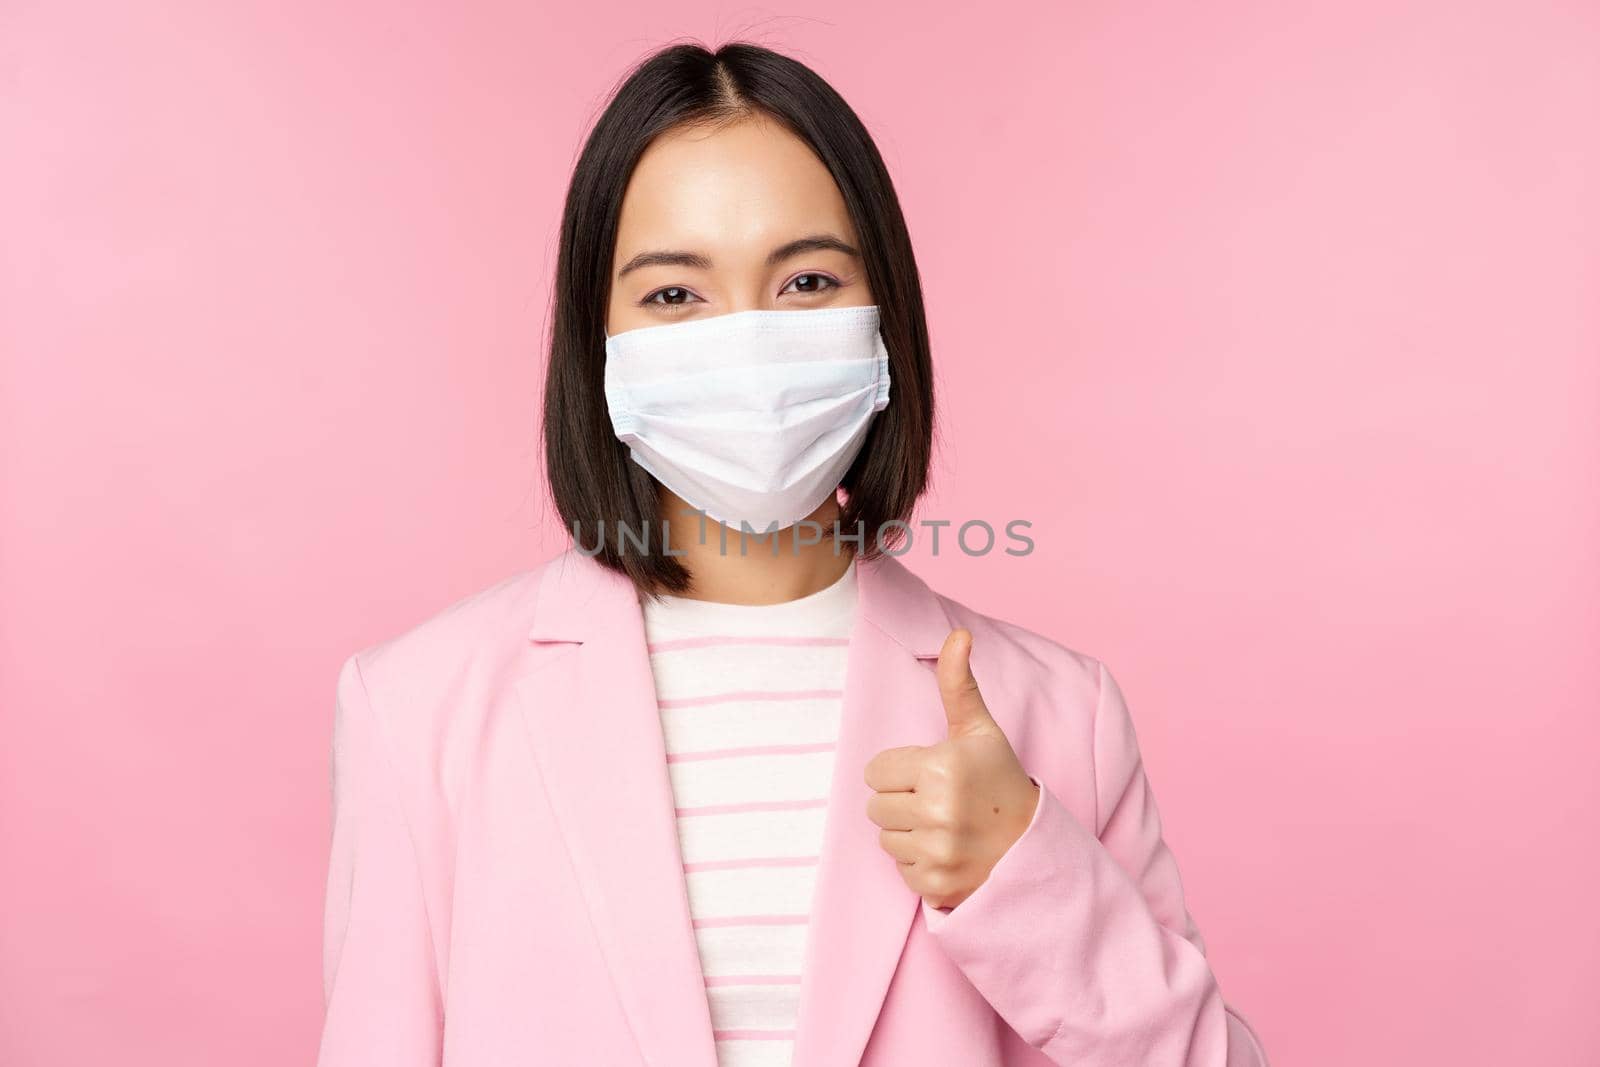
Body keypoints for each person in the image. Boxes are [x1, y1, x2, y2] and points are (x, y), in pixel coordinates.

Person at [316, 40, 1270, 1067]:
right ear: (600, 350)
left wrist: (1029, 879)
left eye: (807, 279)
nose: (750, 347)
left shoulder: (1056, 713)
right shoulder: (419, 707)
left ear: (882, 323)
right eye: (675, 295)